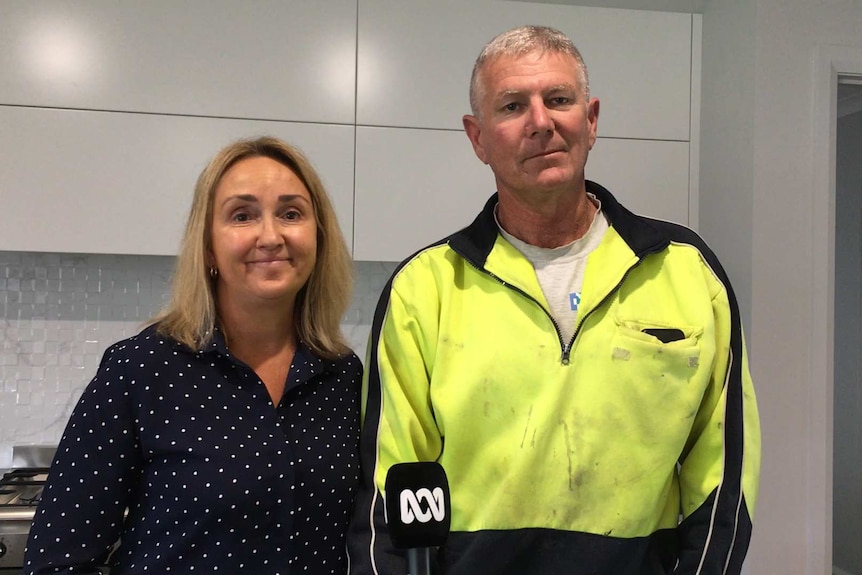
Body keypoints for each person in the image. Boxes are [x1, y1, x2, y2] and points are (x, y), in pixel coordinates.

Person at [347, 25, 761, 575]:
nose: (541, 122)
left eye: (558, 100)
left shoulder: (685, 272)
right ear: (477, 137)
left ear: (590, 120)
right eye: (513, 105)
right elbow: (386, 493)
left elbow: (724, 477)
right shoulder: (425, 290)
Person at [24, 136, 362, 575]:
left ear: (319, 236)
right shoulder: (140, 370)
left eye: (291, 213)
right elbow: (57, 560)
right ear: (208, 247)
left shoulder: (343, 376)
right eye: (242, 215)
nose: (271, 236)